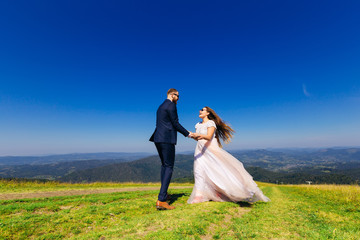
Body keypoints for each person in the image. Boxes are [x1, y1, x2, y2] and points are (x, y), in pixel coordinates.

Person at [188, 107, 270, 204]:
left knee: (218, 170)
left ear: (208, 113)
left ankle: (225, 191)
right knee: (199, 171)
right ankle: (199, 195)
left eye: (202, 110)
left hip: (210, 149)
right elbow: (199, 139)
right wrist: (192, 136)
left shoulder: (211, 123)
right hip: (200, 149)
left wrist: (196, 135)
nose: (200, 111)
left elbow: (209, 137)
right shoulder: (198, 125)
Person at [150, 88, 193, 210]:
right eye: (178, 96)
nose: (178, 99)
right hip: (167, 139)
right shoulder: (171, 106)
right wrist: (188, 134)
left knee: (164, 166)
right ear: (172, 95)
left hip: (158, 139)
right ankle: (161, 200)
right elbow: (175, 123)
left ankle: (164, 194)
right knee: (169, 167)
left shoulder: (161, 106)